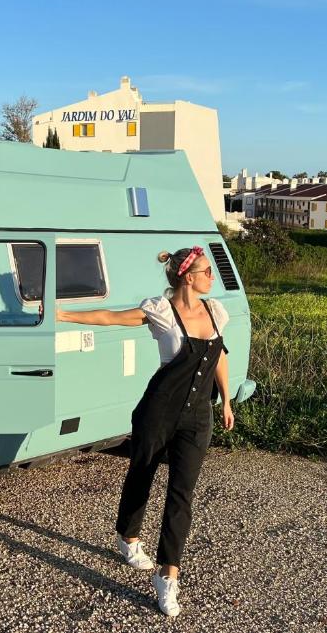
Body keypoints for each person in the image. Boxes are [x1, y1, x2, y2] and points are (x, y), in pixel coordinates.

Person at [56, 246, 234, 617]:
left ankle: (168, 578)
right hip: (157, 412)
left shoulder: (216, 311)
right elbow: (110, 317)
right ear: (187, 276)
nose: (211, 277)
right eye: (206, 272)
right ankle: (129, 538)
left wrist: (227, 401)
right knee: (142, 474)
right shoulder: (161, 311)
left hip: (198, 417)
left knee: (181, 495)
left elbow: (220, 356)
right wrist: (63, 314)